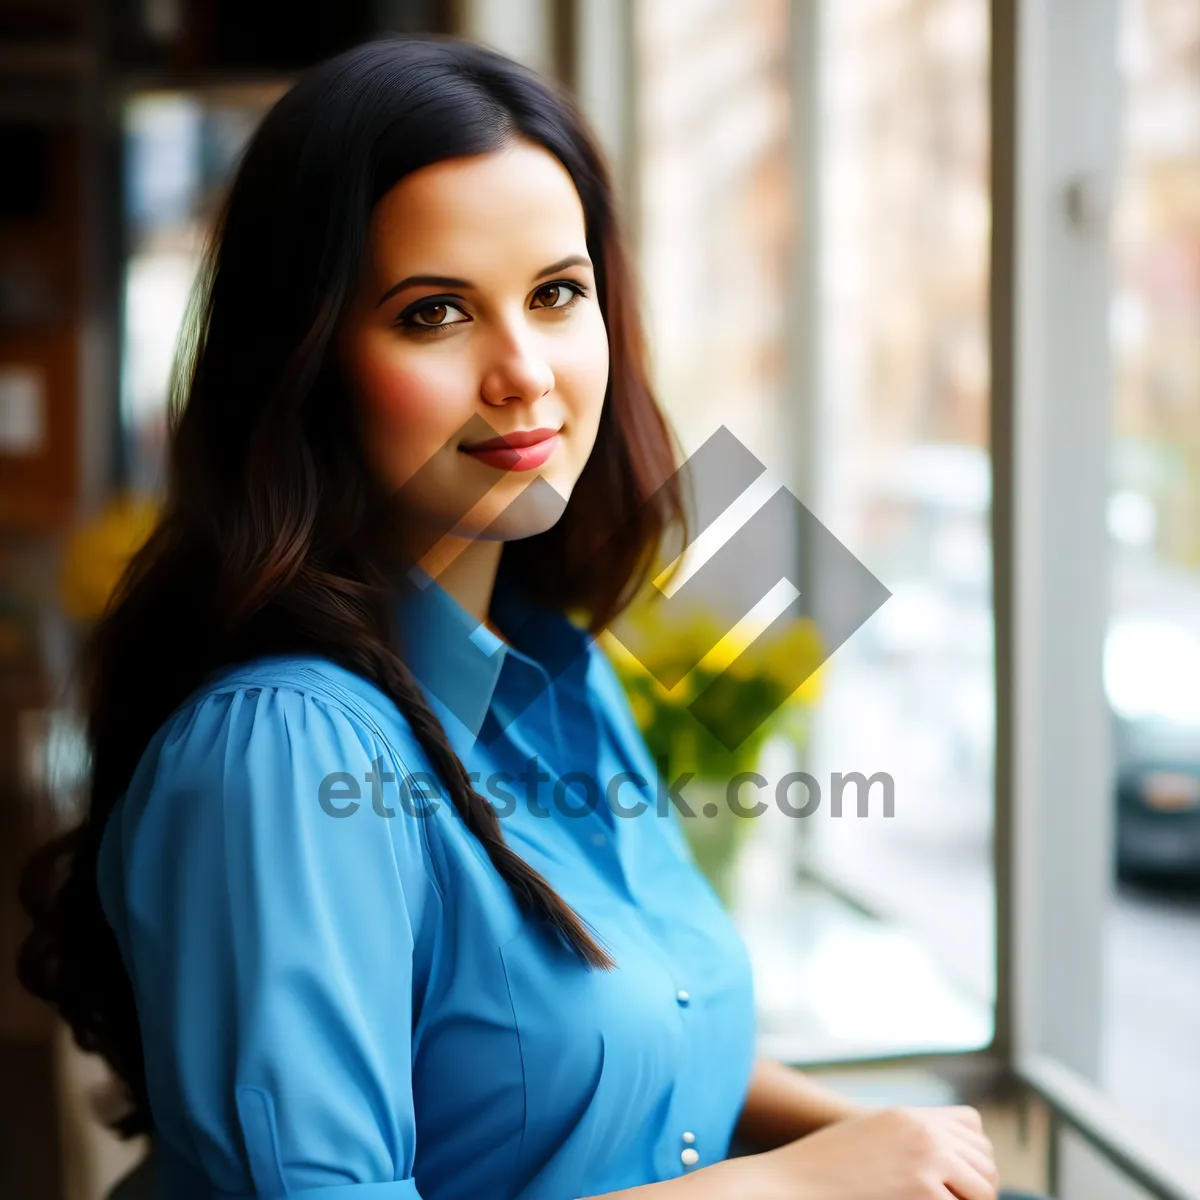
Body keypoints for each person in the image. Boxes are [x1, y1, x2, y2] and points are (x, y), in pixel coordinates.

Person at [18, 35, 1046, 1200]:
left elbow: (625, 1017)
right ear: (302, 365)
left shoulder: (562, 671)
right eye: (434, 314)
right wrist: (798, 1186)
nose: (525, 372)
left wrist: (873, 1136)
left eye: (557, 294)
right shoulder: (288, 750)